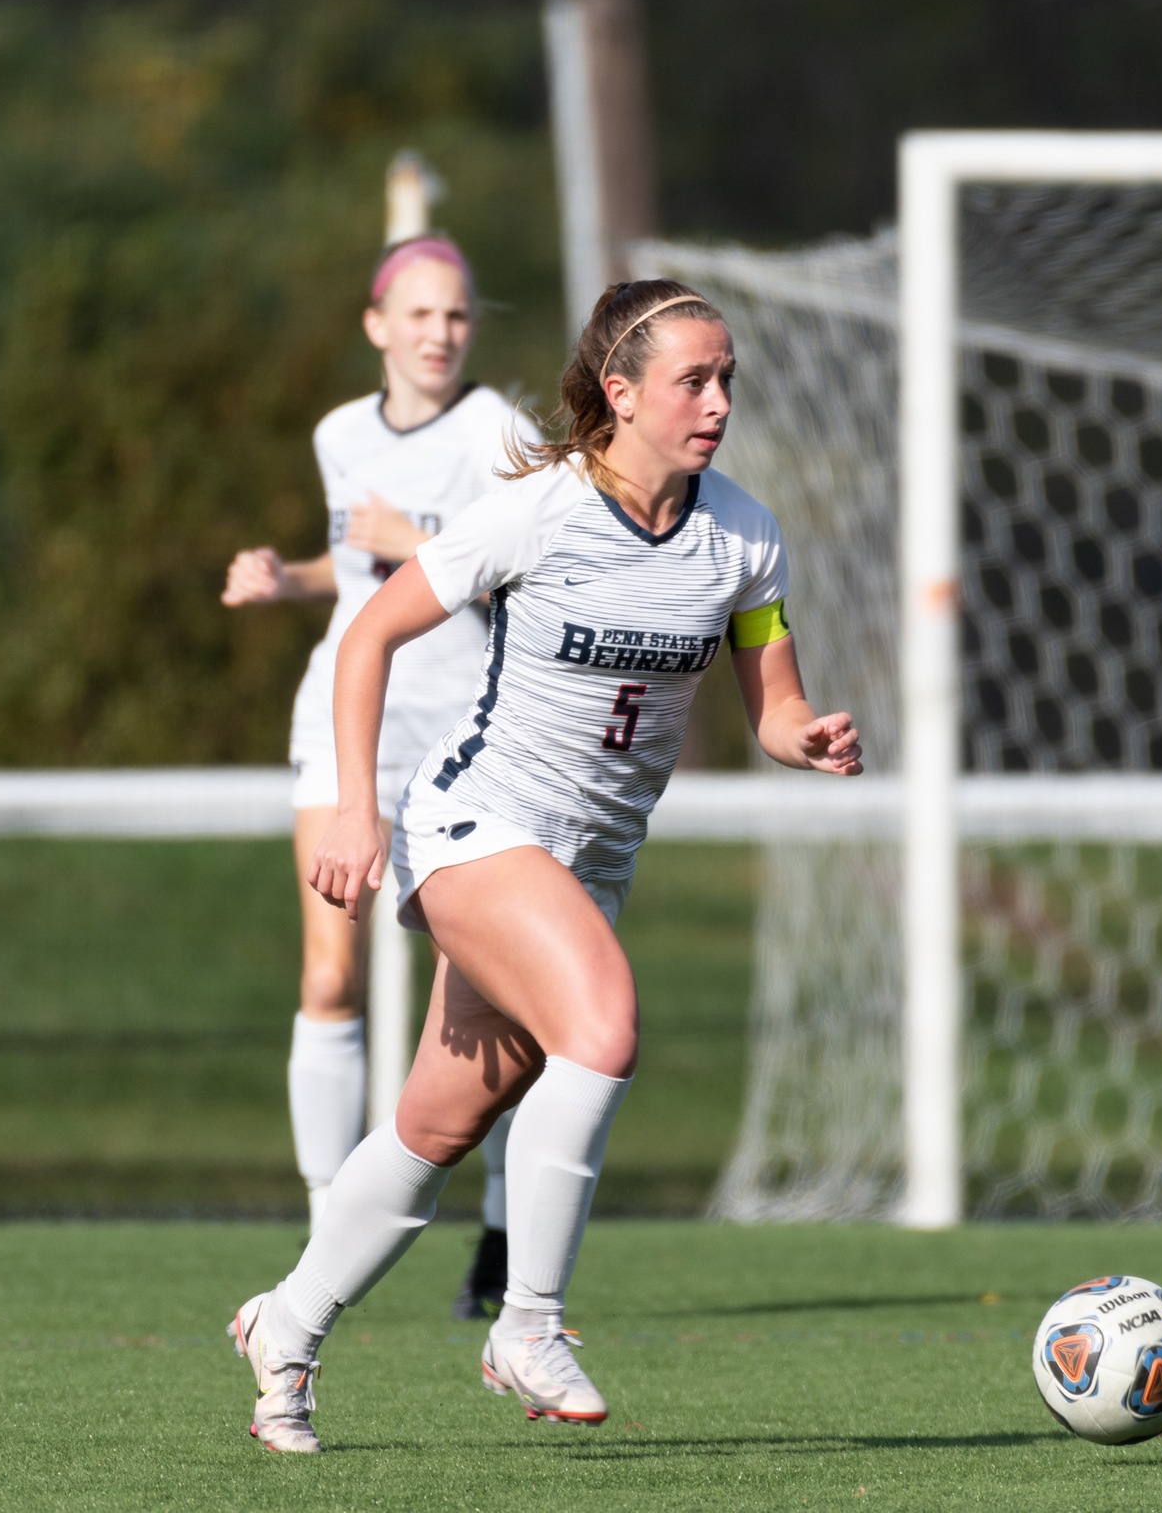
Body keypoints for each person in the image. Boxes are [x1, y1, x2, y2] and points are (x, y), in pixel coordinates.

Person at [228, 279, 864, 1452]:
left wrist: (805, 737)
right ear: (617, 393)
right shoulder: (537, 512)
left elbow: (773, 702)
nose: (719, 400)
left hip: (585, 866)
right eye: (693, 379)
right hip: (473, 825)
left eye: (728, 379)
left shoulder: (745, 537)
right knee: (604, 1025)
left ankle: (289, 1322)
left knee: (435, 1125)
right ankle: (527, 1320)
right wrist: (356, 812)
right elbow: (368, 634)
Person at [221, 234, 523, 1317]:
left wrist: (424, 534)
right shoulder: (338, 433)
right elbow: (357, 572)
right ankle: (325, 1229)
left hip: (467, 740)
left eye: (457, 316)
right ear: (376, 326)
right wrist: (284, 576)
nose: (440, 333)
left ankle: (501, 1238)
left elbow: (527, 581)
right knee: (325, 976)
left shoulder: (501, 436)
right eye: (421, 315)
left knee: (497, 998)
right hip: (347, 724)